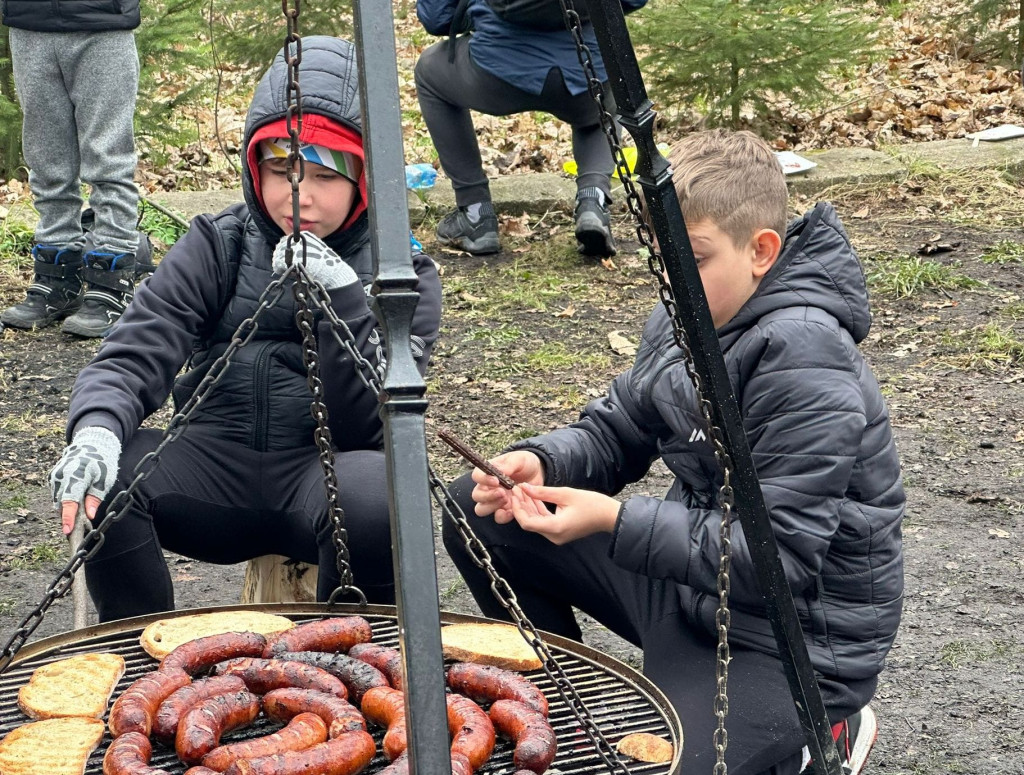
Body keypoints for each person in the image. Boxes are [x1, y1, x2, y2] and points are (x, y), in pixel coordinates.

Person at [443, 129, 903, 775]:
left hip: (787, 643)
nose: (670, 280)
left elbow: (777, 558)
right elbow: (619, 425)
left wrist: (611, 518)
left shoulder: (805, 356)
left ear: (761, 251)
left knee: (672, 764)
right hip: (692, 597)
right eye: (661, 257)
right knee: (480, 508)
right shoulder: (686, 316)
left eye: (694, 257)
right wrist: (543, 461)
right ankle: (559, 715)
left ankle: (828, 730)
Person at [47, 36, 443, 622]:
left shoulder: (403, 276)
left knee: (379, 495)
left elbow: (370, 421)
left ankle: (355, 671)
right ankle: (135, 663)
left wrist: (342, 300)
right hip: (213, 462)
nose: (298, 196)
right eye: (280, 168)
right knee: (114, 476)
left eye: (324, 176)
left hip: (323, 474)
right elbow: (137, 348)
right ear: (254, 166)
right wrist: (97, 428)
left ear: (366, 176)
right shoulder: (220, 243)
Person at [414, 0, 647, 257]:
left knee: (429, 69)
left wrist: (477, 13)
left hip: (496, 74)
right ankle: (594, 201)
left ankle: (475, 213)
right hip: (586, 69)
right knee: (602, 106)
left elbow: (437, 19)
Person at [1, 0, 143, 338]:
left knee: (108, 160)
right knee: (46, 162)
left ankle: (112, 279)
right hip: (29, 23)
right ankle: (56, 276)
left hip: (102, 23)